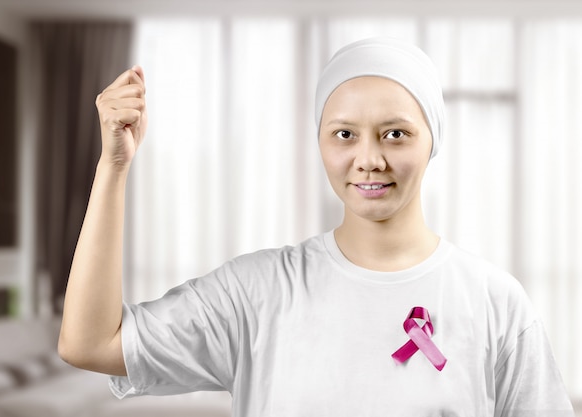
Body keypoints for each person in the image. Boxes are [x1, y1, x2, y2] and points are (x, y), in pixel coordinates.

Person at [58, 37, 575, 416]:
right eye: (344, 133)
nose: (368, 158)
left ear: (431, 141)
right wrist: (114, 168)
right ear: (321, 142)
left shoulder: (495, 304)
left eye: (395, 134)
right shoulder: (257, 293)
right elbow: (92, 343)